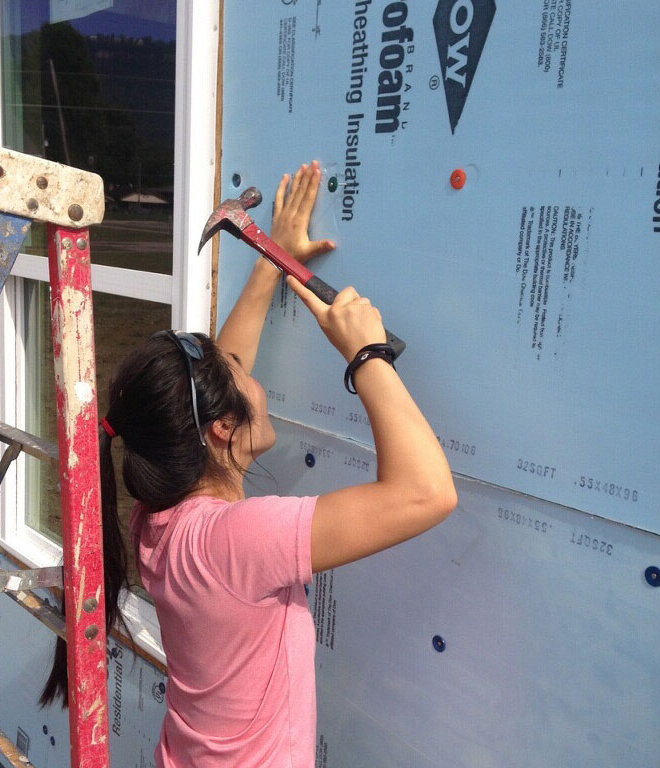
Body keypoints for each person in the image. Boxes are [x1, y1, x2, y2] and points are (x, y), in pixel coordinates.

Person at [40, 161, 457, 767]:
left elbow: (223, 368)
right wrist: (366, 353)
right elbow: (427, 493)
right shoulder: (239, 540)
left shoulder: (159, 518)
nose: (255, 380)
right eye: (244, 380)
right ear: (221, 427)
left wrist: (272, 258)